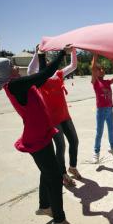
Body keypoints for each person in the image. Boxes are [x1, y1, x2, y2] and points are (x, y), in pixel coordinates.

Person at [0, 45, 73, 224]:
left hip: (41, 134)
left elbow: (41, 76)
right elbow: (44, 74)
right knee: (55, 178)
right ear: (5, 72)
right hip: (37, 139)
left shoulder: (18, 84)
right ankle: (59, 220)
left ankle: (45, 206)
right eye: (11, 65)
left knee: (48, 172)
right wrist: (62, 53)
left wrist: (40, 55)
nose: (15, 67)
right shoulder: (15, 85)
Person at [27, 46, 80, 186]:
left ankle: (72, 167)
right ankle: (63, 174)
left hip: (65, 115)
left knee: (74, 141)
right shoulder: (40, 78)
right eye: (46, 61)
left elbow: (73, 65)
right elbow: (29, 71)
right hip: (52, 119)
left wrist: (73, 49)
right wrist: (37, 53)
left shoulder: (58, 74)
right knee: (61, 146)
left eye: (50, 61)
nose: (49, 62)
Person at [91, 54, 113, 163]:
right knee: (99, 132)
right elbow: (93, 68)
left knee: (111, 130)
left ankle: (112, 148)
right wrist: (95, 55)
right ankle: (96, 152)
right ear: (96, 72)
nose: (102, 70)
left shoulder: (107, 82)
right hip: (101, 110)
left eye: (103, 69)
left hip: (110, 110)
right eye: (100, 69)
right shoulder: (95, 82)